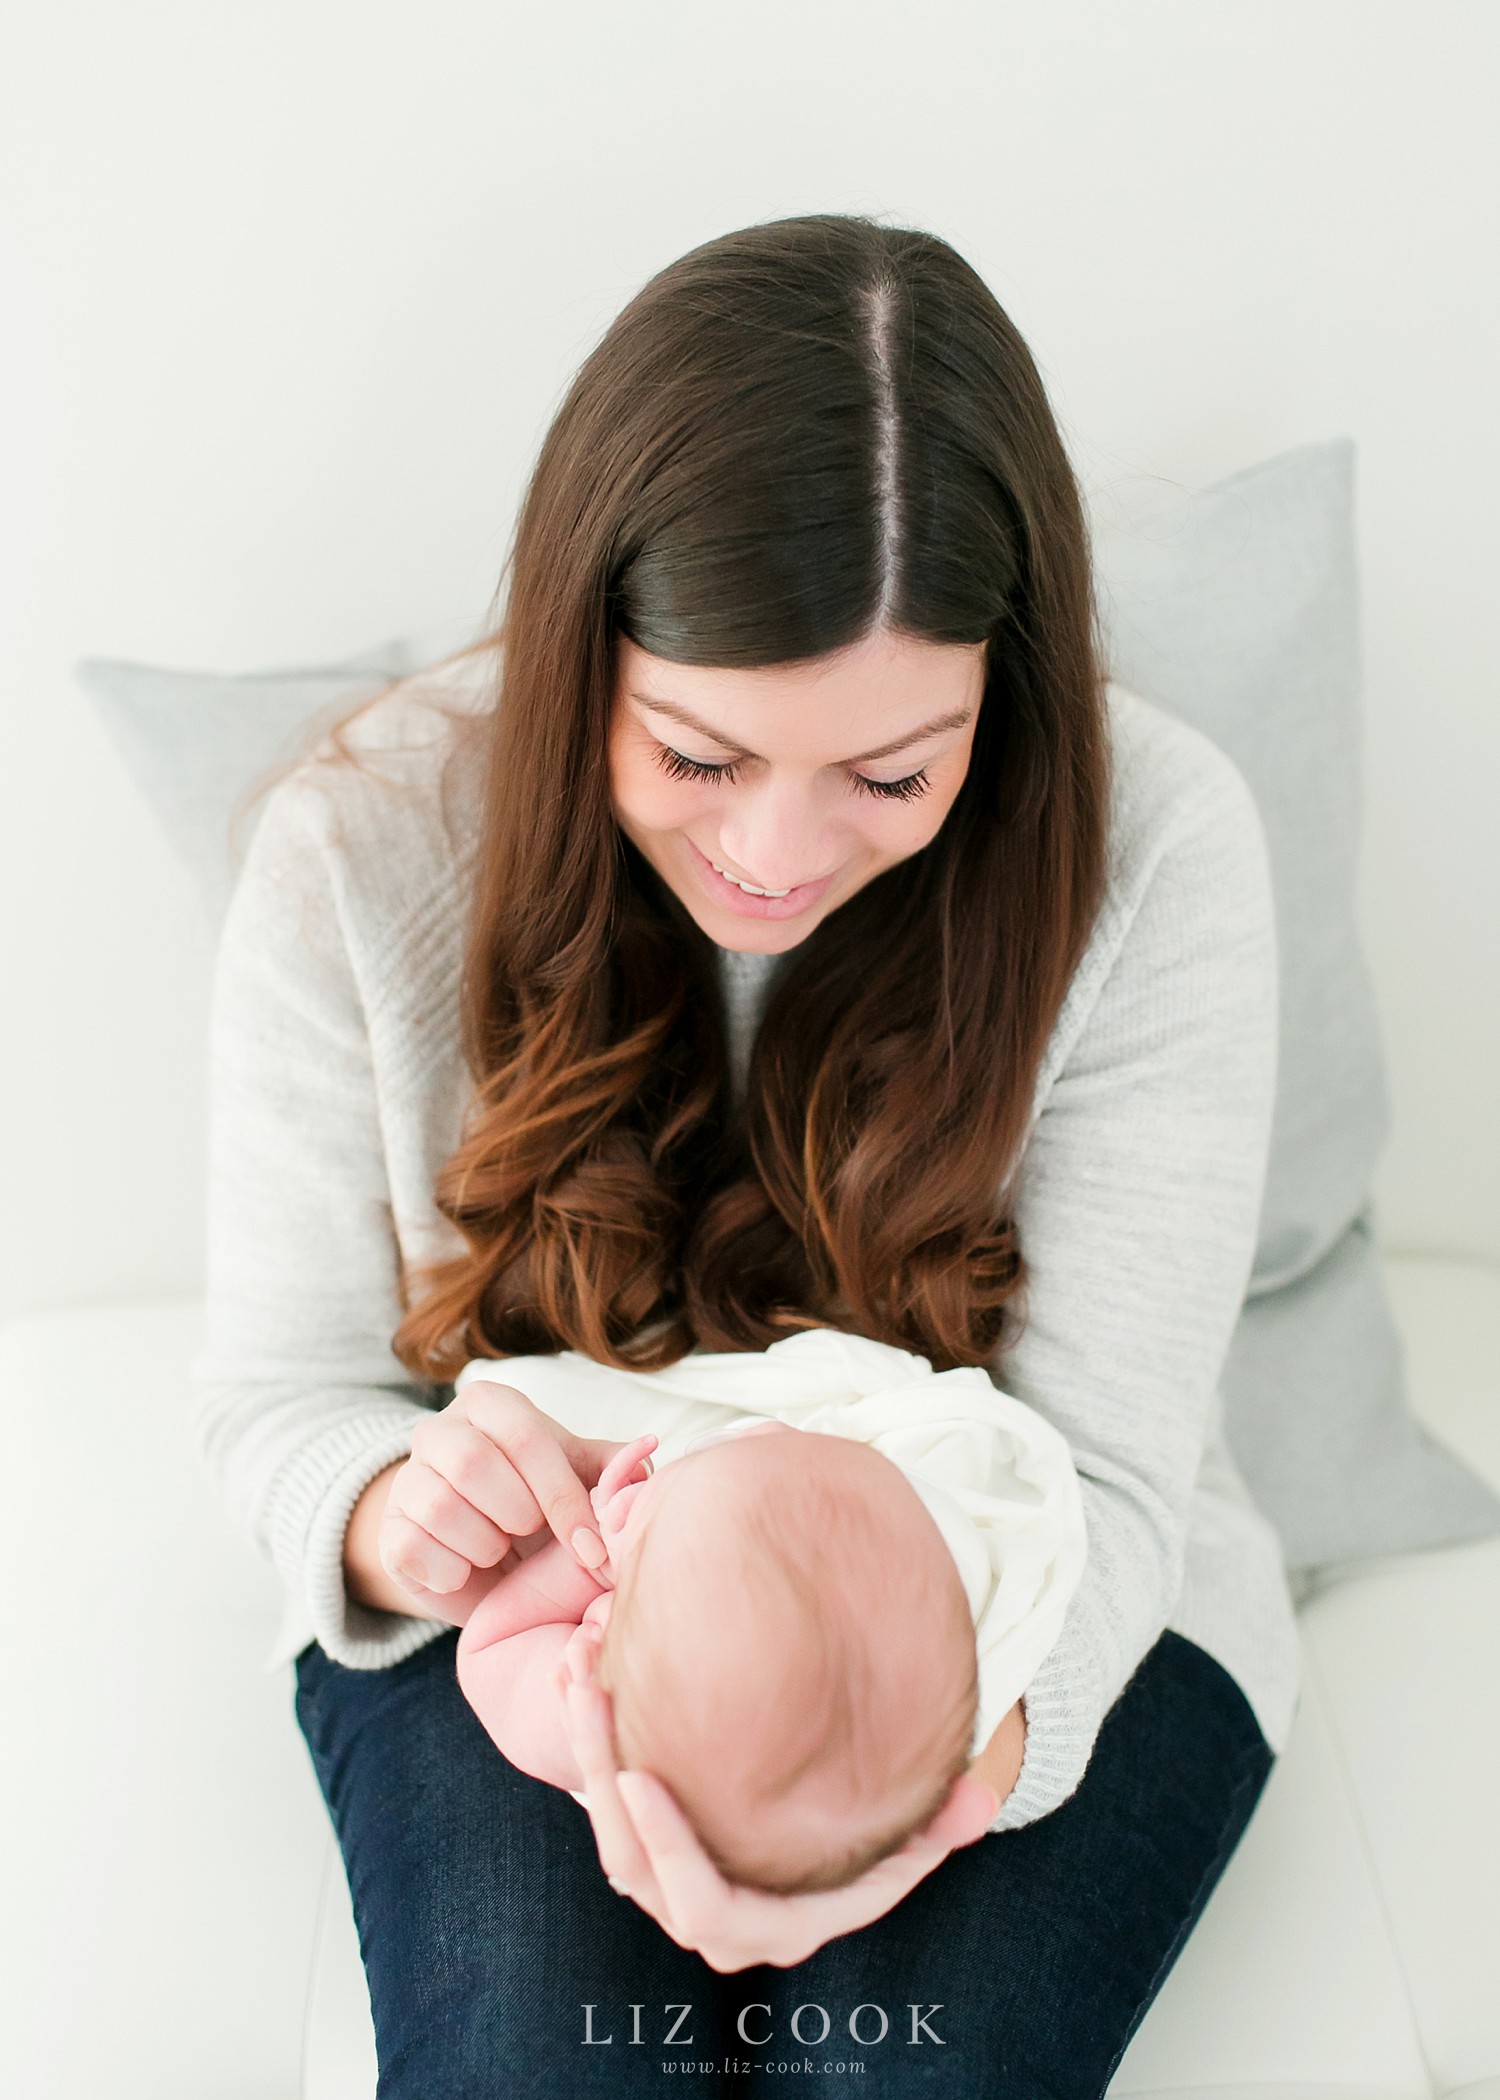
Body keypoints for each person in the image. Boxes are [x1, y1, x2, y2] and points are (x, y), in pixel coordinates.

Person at [192, 213, 1300, 2095]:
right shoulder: (358, 850)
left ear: (999, 701)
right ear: (583, 654)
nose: (779, 857)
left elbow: (1113, 1474)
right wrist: (407, 1514)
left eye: (892, 774)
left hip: (1023, 1622)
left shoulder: (1160, 851)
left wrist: (937, 1788)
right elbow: (283, 1402)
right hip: (551, 1603)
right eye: (701, 755)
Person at [448, 1325, 1089, 1895]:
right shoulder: (902, 1592)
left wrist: (583, 1559)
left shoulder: (600, 1718)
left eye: (642, 1511)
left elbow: (492, 1647)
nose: (766, 1428)